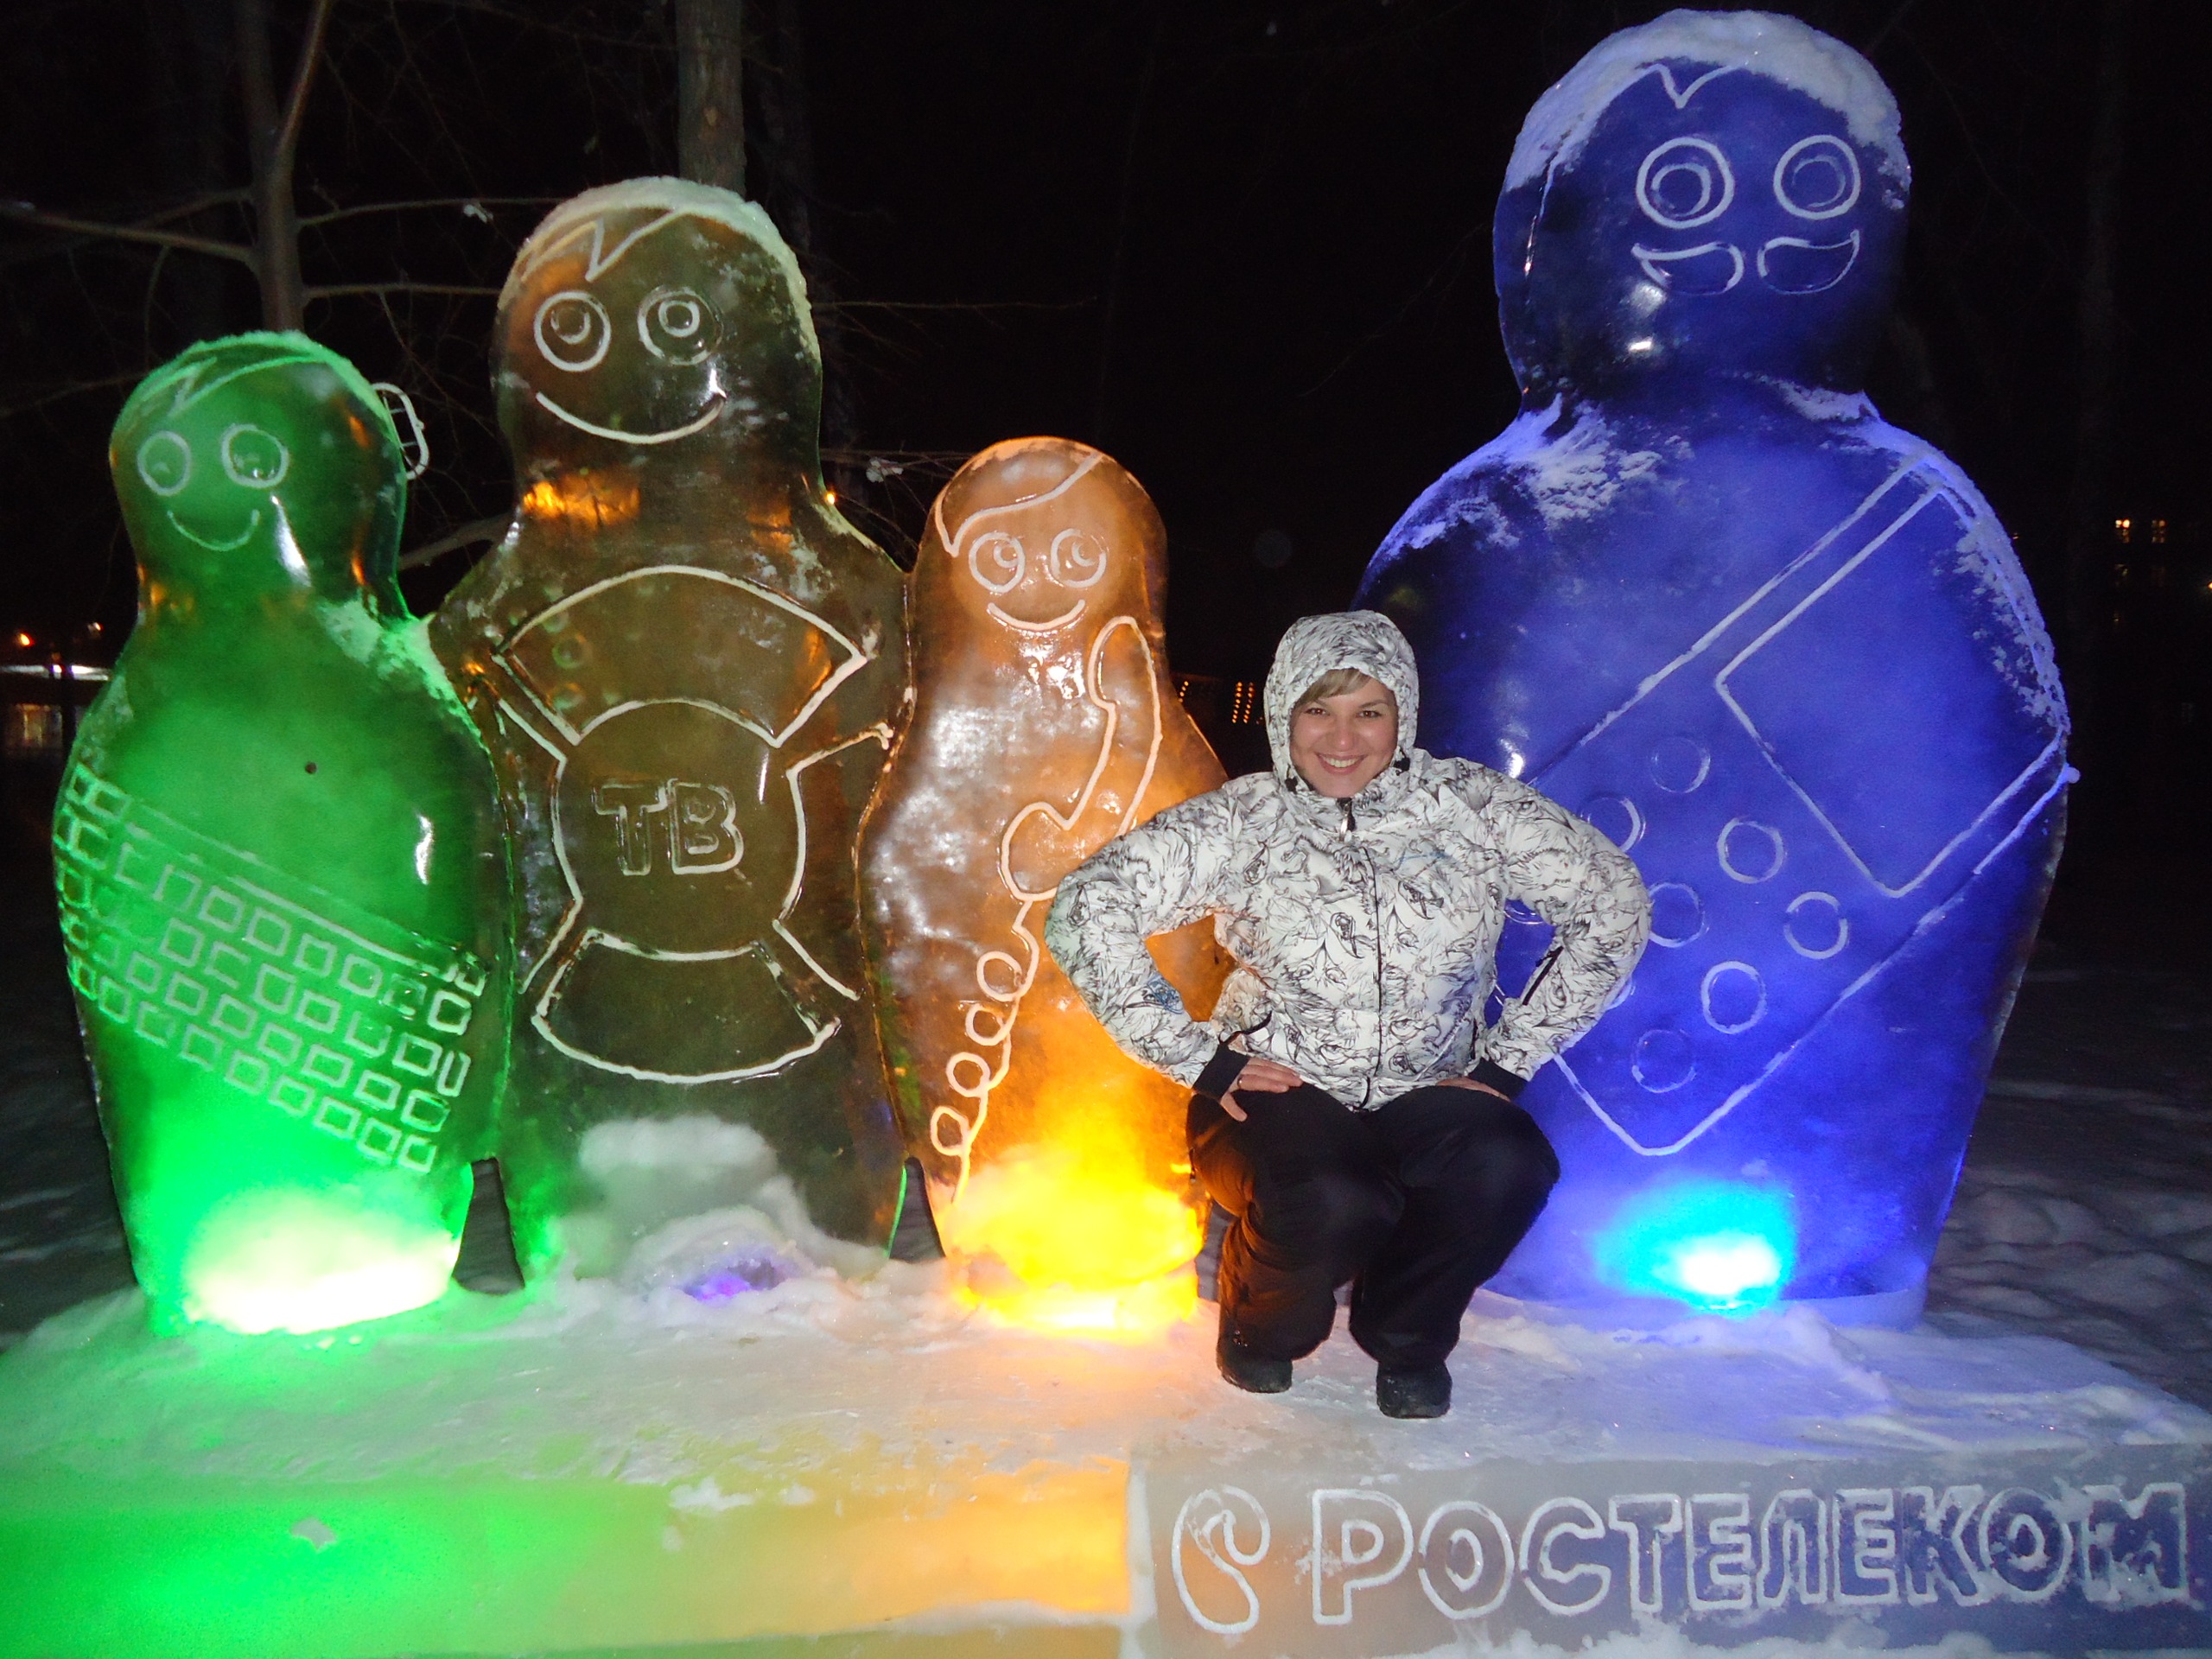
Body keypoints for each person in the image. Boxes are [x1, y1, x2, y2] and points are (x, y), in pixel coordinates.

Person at [1046, 612, 1649, 1418]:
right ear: (1283, 714)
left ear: (1403, 715)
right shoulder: (1245, 822)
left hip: (1430, 1087)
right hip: (1276, 1089)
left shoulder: (1471, 807)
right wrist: (1201, 1059)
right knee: (1333, 1196)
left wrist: (1509, 1062)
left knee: (1507, 1165)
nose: (1342, 738)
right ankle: (1264, 1325)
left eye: (1369, 711)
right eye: (1318, 709)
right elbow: (1088, 907)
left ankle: (1407, 1332)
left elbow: (1613, 900)